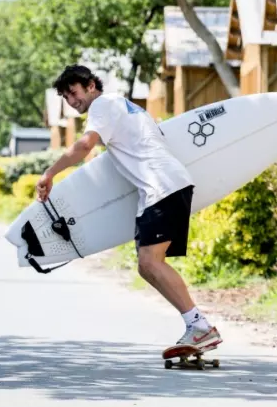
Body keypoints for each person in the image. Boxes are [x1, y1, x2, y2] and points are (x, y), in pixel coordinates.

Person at [35, 65, 222, 354]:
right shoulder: (124, 106)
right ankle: (197, 325)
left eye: (73, 93)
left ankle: (200, 327)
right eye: (65, 98)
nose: (72, 102)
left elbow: (85, 145)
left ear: (91, 86)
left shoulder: (103, 105)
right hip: (167, 185)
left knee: (150, 263)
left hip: (161, 187)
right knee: (148, 265)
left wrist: (50, 173)